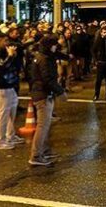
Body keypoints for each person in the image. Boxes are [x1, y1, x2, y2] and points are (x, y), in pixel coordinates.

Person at [29, 34, 67, 166]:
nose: (56, 47)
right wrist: (60, 91)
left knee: (45, 125)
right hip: (43, 95)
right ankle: (36, 155)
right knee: (42, 126)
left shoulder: (43, 56)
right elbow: (47, 79)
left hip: (42, 93)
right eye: (54, 44)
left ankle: (44, 150)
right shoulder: (44, 59)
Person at [0, 33, 23, 150]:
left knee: (12, 111)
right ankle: (1, 141)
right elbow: (1, 66)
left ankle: (10, 136)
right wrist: (11, 56)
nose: (8, 43)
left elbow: (14, 66)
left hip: (10, 85)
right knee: (2, 115)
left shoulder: (5, 52)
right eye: (5, 40)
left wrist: (13, 56)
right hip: (0, 86)